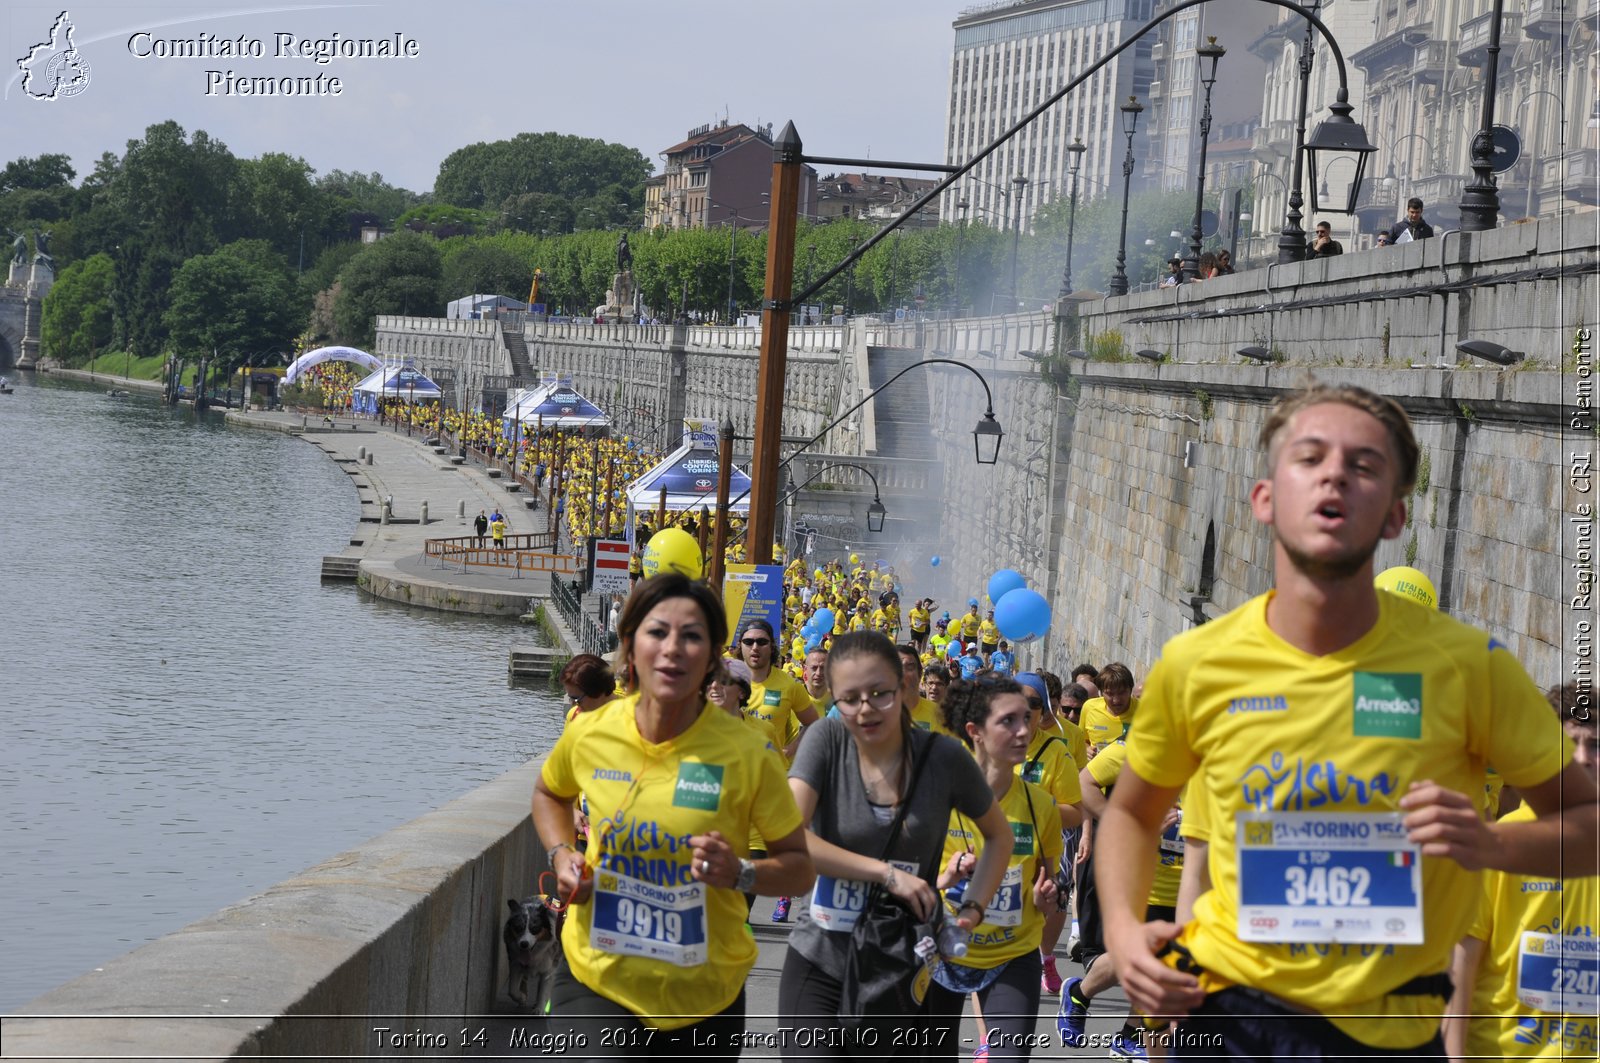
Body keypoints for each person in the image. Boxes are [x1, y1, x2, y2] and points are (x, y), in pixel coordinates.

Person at [1095, 384, 1599, 1059]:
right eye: (1309, 457)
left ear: (1394, 516)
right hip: (1230, 1011)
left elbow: (1588, 826)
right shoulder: (1196, 664)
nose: (1335, 472)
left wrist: (1491, 845)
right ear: (1265, 498)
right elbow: (1130, 813)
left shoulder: (1469, 666)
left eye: (1363, 465)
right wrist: (1125, 934)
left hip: (1390, 1028)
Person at [533, 574, 814, 1055]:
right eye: (657, 631)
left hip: (703, 997)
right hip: (598, 976)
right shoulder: (592, 732)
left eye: (692, 636)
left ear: (712, 657)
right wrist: (563, 855)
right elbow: (549, 794)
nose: (673, 648)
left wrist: (740, 872)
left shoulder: (748, 754)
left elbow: (798, 868)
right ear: (630, 644)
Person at [779, 631, 1012, 1059]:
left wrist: (972, 912)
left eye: (879, 693)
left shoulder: (943, 757)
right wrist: (886, 875)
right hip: (821, 956)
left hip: (900, 965)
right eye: (849, 699)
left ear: (904, 686)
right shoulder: (826, 742)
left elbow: (1000, 836)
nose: (865, 709)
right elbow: (790, 835)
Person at [1445, 680, 1599, 1061]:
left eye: (1595, 744)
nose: (1582, 758)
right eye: (1568, 744)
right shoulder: (1500, 844)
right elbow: (1460, 967)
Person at [925, 677, 1064, 1062]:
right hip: (937, 951)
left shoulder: (1042, 806)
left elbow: (1047, 883)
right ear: (976, 732)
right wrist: (945, 879)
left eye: (1027, 718)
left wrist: (1045, 897)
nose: (1025, 731)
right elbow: (901, 879)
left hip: (1011, 953)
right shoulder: (935, 796)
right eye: (1009, 721)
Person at [739, 618, 820, 761]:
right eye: (748, 642)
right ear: (740, 645)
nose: (755, 647)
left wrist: (792, 748)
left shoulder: (790, 685)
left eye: (762, 642)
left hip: (772, 774)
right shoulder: (725, 683)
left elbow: (813, 724)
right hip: (733, 773)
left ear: (772, 647)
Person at [560, 653, 617, 723]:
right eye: (570, 698)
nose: (573, 704)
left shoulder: (629, 718)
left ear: (597, 692)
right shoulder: (574, 715)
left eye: (576, 699)